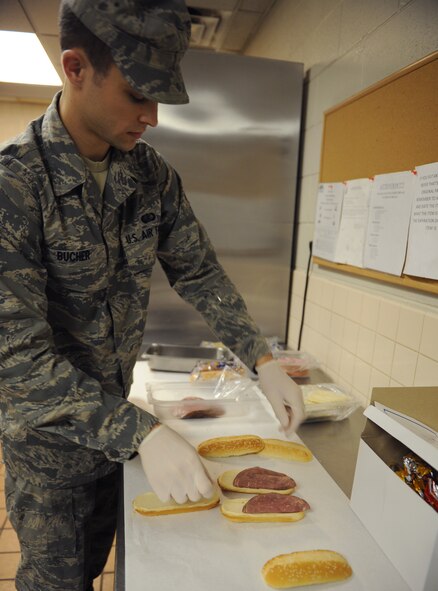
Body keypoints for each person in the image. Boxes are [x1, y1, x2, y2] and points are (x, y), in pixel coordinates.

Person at [0, 0, 304, 589]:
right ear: (75, 67)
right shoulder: (15, 185)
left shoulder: (150, 175)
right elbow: (16, 360)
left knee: (103, 565)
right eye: (139, 94)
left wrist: (262, 359)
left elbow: (199, 271)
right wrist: (143, 432)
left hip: (116, 438)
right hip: (49, 452)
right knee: (56, 581)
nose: (154, 117)